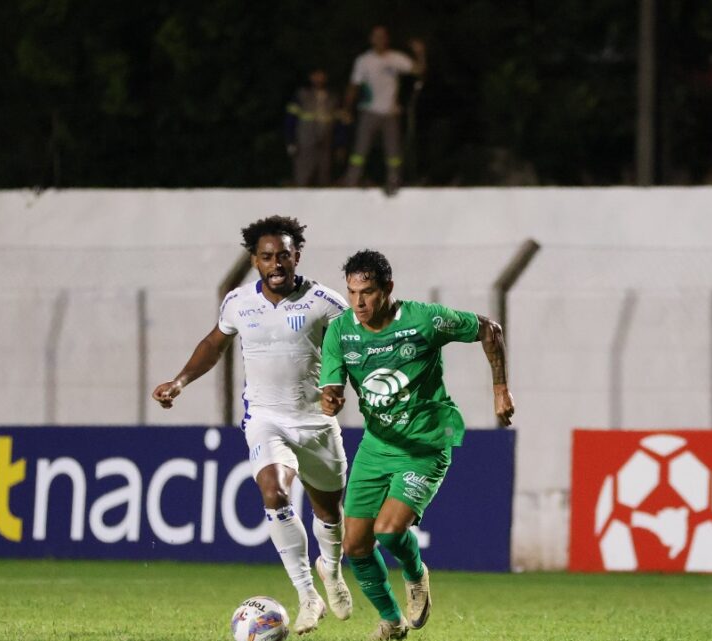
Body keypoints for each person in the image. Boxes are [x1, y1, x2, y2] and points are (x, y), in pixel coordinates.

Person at [152, 216, 354, 635]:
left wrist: (337, 387)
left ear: (297, 255)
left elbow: (351, 352)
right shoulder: (238, 302)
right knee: (274, 492)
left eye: (283, 255)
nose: (276, 263)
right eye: (267, 257)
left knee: (329, 513)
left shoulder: (326, 302)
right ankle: (306, 594)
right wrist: (179, 381)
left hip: (316, 422)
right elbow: (213, 344)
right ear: (254, 261)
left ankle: (331, 572)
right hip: (265, 418)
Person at [319, 250, 515, 640]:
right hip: (377, 444)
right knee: (355, 546)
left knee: (390, 532)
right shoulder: (341, 330)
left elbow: (489, 329)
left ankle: (415, 573)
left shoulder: (424, 320)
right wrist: (330, 398)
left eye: (368, 292)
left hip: (426, 442)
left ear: (388, 289)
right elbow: (331, 384)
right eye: (352, 292)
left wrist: (500, 390)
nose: (359, 302)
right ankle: (391, 622)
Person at [342, 26, 426, 194]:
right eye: (376, 36)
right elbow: (354, 86)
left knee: (393, 151)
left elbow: (419, 70)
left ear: (387, 39)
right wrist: (346, 108)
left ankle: (394, 181)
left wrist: (420, 53)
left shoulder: (395, 58)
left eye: (383, 36)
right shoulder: (364, 60)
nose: (380, 39)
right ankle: (351, 181)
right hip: (369, 111)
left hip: (390, 113)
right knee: (360, 149)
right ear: (371, 39)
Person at [285, 69, 343, 187]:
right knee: (303, 174)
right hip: (305, 141)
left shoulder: (333, 98)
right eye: (316, 75)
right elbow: (290, 119)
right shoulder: (301, 94)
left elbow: (340, 123)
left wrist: (340, 144)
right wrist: (290, 141)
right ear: (311, 77)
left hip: (326, 142)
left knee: (324, 175)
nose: (318, 79)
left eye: (321, 75)